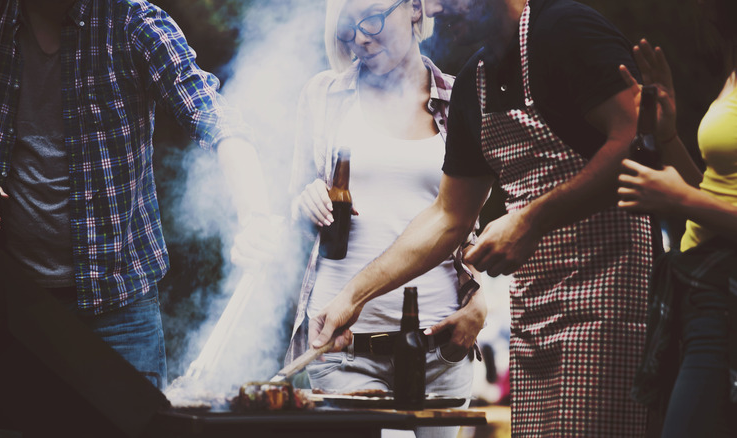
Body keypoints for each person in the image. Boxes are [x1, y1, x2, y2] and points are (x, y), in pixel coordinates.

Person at [308, 0, 656, 435]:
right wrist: (350, 299)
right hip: (534, 312)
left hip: (609, 301)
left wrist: (530, 221)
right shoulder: (476, 80)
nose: (432, 9)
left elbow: (638, 143)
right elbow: (447, 217)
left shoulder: (568, 30)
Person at [0, 0, 269, 434]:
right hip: (14, 310)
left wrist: (255, 215)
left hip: (120, 314)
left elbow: (215, 117)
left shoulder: (134, 21)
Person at [287, 1, 486, 437]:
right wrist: (304, 200)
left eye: (372, 17)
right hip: (344, 350)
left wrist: (480, 299)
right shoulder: (323, 95)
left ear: (415, 8)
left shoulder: (462, 96)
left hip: (441, 349)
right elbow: (292, 216)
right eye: (348, 26)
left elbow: (469, 222)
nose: (361, 35)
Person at [617, 1, 737, 434]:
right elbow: (716, 194)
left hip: (725, 301)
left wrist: (681, 201)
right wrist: (667, 135)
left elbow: (697, 202)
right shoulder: (731, 64)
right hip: (700, 294)